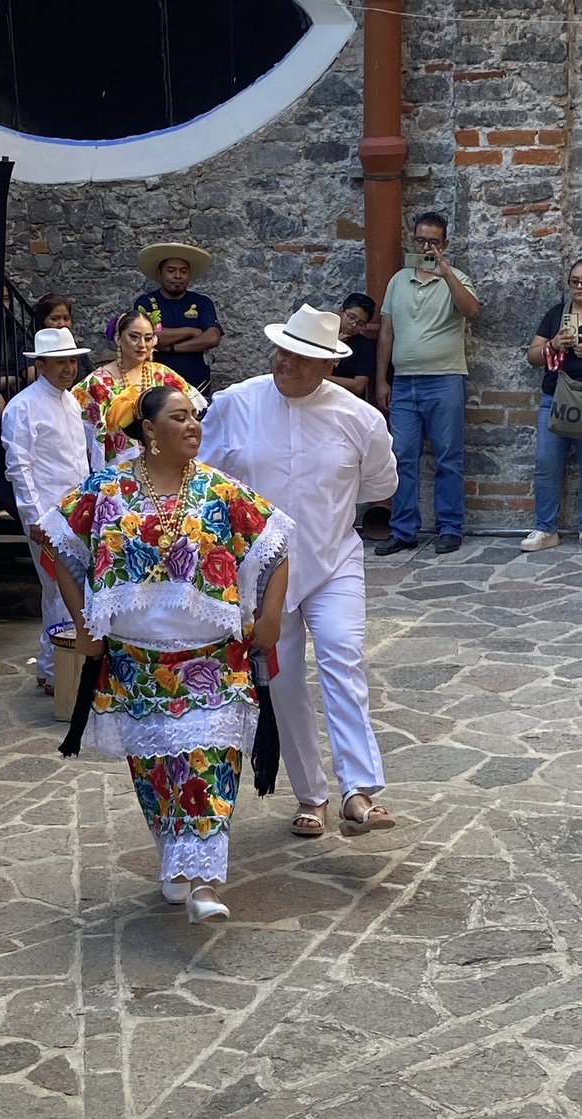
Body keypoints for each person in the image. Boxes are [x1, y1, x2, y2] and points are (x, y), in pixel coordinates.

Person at [39, 385, 292, 923]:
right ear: (149, 431)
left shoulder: (222, 491)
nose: (193, 426)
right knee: (155, 773)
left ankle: (204, 882)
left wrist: (270, 616)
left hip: (213, 661)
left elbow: (279, 543)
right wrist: (84, 619)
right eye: (179, 418)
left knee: (208, 765)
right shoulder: (107, 489)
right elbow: (56, 542)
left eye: (195, 417)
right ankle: (175, 864)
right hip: (135, 663)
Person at [200, 304, 398, 839]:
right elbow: (208, 484)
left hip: (333, 560)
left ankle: (360, 790)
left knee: (342, 655)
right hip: (262, 572)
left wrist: (325, 509)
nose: (288, 362)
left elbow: (380, 486)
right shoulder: (234, 404)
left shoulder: (360, 418)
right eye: (284, 350)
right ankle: (311, 796)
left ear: (329, 365)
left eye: (303, 356)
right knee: (283, 683)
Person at [375, 210, 480, 556]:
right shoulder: (397, 281)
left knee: (449, 457)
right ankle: (404, 530)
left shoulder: (457, 278)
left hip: (445, 380)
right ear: (412, 240)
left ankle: (450, 528)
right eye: (421, 240)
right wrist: (381, 380)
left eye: (434, 241)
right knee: (402, 456)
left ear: (444, 244)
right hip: (404, 383)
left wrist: (445, 272)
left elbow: (470, 310)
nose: (426, 246)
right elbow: (386, 333)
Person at [1, 327, 91, 695]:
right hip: (47, 512)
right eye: (59, 362)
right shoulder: (22, 406)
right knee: (60, 587)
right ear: (40, 365)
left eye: (71, 360)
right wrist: (36, 517)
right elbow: (19, 467)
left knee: (60, 587)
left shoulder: (71, 401)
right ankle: (58, 672)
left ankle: (48, 663)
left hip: (75, 509)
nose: (68, 368)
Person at [74, 309, 205, 472]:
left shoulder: (163, 375)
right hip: (116, 470)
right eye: (134, 337)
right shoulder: (98, 383)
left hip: (164, 465)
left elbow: (194, 413)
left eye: (148, 338)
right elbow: (77, 431)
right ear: (118, 338)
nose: (142, 344)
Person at [521, 259, 582, 552]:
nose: (579, 287)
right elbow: (532, 356)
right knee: (547, 463)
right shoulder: (557, 314)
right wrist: (555, 344)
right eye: (574, 281)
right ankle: (546, 529)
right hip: (556, 397)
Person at [134, 242, 223, 396]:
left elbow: (212, 338)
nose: (177, 276)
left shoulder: (202, 302)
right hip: (156, 382)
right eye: (171, 270)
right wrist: (191, 331)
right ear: (160, 273)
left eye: (183, 271)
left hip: (196, 382)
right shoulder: (145, 302)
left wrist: (172, 348)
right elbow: (152, 337)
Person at [34, 292, 95, 383]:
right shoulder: (33, 347)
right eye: (55, 319)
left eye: (66, 318)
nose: (62, 324)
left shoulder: (74, 347)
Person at [330, 291, 377, 400]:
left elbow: (358, 386)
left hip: (346, 402)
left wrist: (321, 378)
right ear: (341, 311)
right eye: (351, 317)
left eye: (360, 324)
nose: (353, 325)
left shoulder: (364, 346)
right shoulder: (321, 333)